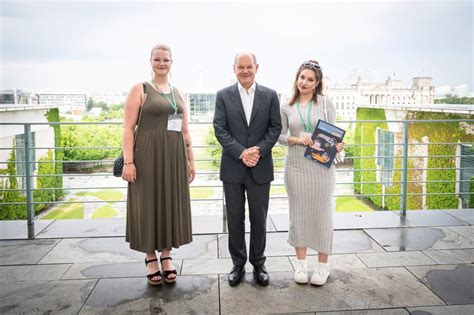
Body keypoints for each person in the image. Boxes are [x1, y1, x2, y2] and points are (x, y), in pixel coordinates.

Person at [122, 44, 196, 286]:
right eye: (157, 59)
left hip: (173, 157)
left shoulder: (177, 93)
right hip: (146, 156)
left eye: (166, 59)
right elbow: (127, 128)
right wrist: (129, 161)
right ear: (150, 61)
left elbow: (184, 130)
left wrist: (190, 160)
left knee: (168, 202)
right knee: (147, 203)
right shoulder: (140, 89)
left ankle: (166, 255)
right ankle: (149, 257)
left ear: (172, 62)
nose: (161, 63)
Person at [213, 52, 282, 287]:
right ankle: (238, 264)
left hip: (260, 167)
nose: (244, 70)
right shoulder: (223, 96)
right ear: (234, 68)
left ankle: (259, 264)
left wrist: (258, 151)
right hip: (233, 167)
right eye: (240, 66)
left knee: (259, 219)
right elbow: (220, 129)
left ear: (257, 68)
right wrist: (242, 153)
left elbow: (275, 128)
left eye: (248, 66)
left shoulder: (271, 95)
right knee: (234, 218)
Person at [278, 60, 344, 286]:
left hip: (321, 169)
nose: (304, 82)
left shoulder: (326, 104)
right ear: (296, 79)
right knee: (299, 215)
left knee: (322, 215)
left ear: (317, 84)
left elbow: (334, 136)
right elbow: (280, 137)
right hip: (296, 167)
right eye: (302, 78)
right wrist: (298, 139)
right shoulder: (286, 106)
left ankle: (323, 267)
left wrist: (338, 144)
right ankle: (301, 265)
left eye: (310, 79)